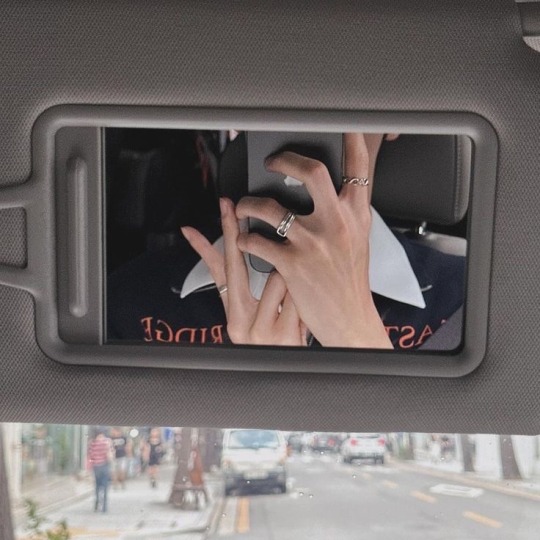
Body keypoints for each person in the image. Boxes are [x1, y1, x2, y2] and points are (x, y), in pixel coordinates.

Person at [108, 133, 464, 349]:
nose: (313, 113)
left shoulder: (466, 305)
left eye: (348, 89)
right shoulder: (128, 305)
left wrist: (357, 336)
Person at [88, 429, 113, 513]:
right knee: (105, 486)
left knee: (97, 486)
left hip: (96, 466)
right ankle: (104, 507)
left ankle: (96, 503)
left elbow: (91, 456)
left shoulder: (92, 443)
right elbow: (109, 455)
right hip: (104, 466)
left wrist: (91, 465)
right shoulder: (107, 442)